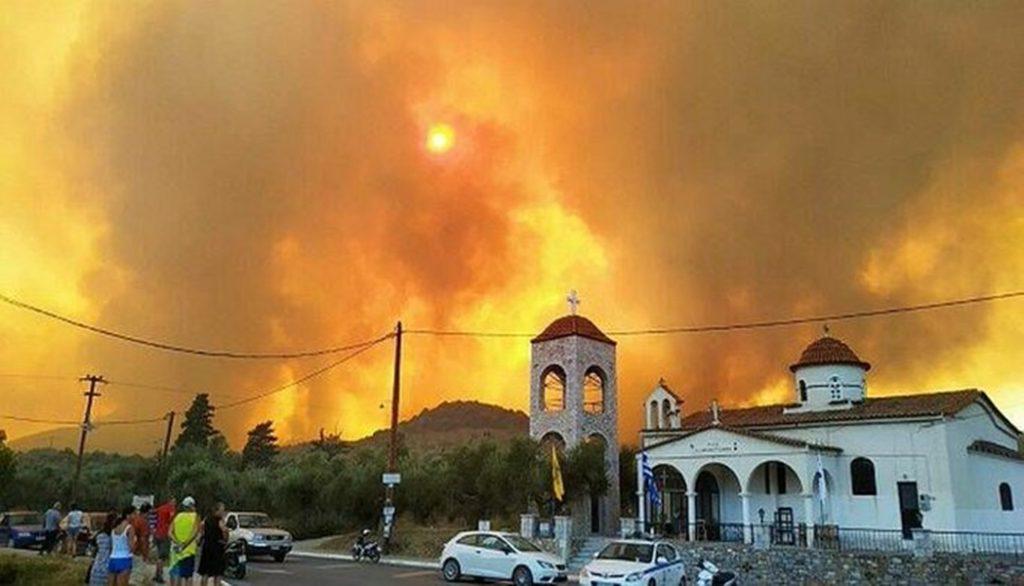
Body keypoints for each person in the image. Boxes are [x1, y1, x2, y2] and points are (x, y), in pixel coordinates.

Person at [168, 497, 200, 586]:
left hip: (176, 550)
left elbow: (169, 532)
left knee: (177, 574)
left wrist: (177, 542)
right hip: (188, 551)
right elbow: (195, 533)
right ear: (192, 506)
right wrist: (185, 544)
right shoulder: (195, 516)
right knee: (188, 576)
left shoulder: (177, 516)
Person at [197, 502, 227, 586]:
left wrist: (199, 540)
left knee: (205, 573)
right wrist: (224, 531)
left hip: (207, 548)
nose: (223, 512)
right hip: (217, 548)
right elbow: (225, 536)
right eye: (222, 510)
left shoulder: (206, 519)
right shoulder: (221, 521)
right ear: (217, 510)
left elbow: (201, 531)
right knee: (218, 574)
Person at [108, 506, 137, 586]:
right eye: (134, 514)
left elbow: (111, 545)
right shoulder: (129, 528)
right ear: (128, 515)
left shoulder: (114, 527)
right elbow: (131, 547)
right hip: (125, 559)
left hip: (113, 558)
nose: (135, 516)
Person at [88, 511, 117, 586]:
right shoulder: (115, 536)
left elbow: (92, 548)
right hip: (110, 567)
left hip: (97, 566)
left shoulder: (99, 534)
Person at [152, 497, 176, 584]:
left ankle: (156, 574)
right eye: (173, 501)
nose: (174, 503)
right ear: (170, 501)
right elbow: (172, 521)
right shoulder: (171, 509)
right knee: (162, 557)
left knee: (159, 555)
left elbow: (153, 513)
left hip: (157, 533)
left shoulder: (160, 508)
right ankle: (159, 575)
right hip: (165, 534)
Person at [129, 503, 152, 585]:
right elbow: (143, 539)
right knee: (137, 578)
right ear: (147, 512)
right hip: (139, 551)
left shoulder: (133, 519)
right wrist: (145, 553)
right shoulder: (143, 522)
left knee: (132, 575)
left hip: (131, 550)